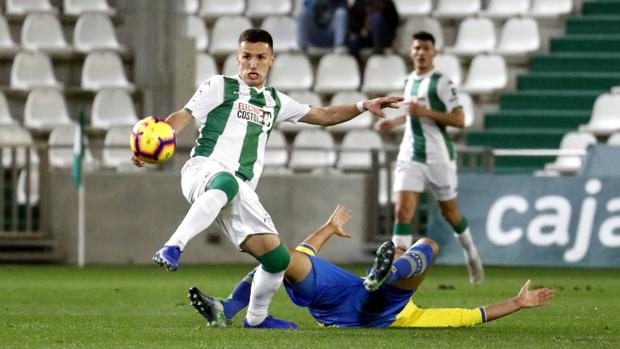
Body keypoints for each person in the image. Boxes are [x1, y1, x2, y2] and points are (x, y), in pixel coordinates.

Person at [131, 28, 402, 330]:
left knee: (276, 260)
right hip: (204, 171)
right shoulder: (219, 86)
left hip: (240, 192)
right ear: (238, 58)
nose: (253, 63)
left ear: (271, 60)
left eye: (260, 57)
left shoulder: (275, 101)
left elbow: (324, 115)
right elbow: (182, 116)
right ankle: (173, 246)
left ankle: (256, 319)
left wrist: (363, 105)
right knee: (227, 182)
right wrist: (154, 142)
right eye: (247, 56)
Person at [189, 206, 555, 328]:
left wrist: (516, 304)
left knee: (427, 244)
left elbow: (471, 314)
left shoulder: (412, 314)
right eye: (395, 252)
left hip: (355, 305)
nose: (398, 249)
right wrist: (329, 229)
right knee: (280, 257)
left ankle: (385, 278)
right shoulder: (412, 313)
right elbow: (306, 251)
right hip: (348, 296)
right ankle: (225, 309)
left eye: (396, 253)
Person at [375, 31, 485, 285]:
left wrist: (426, 111)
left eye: (426, 48)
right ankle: (396, 275)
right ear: (411, 52)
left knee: (450, 213)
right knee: (402, 212)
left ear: (434, 52)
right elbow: (413, 114)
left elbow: (459, 120)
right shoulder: (408, 81)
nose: (421, 52)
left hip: (438, 157)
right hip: (410, 155)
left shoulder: (442, 82)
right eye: (417, 48)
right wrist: (395, 122)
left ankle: (472, 254)